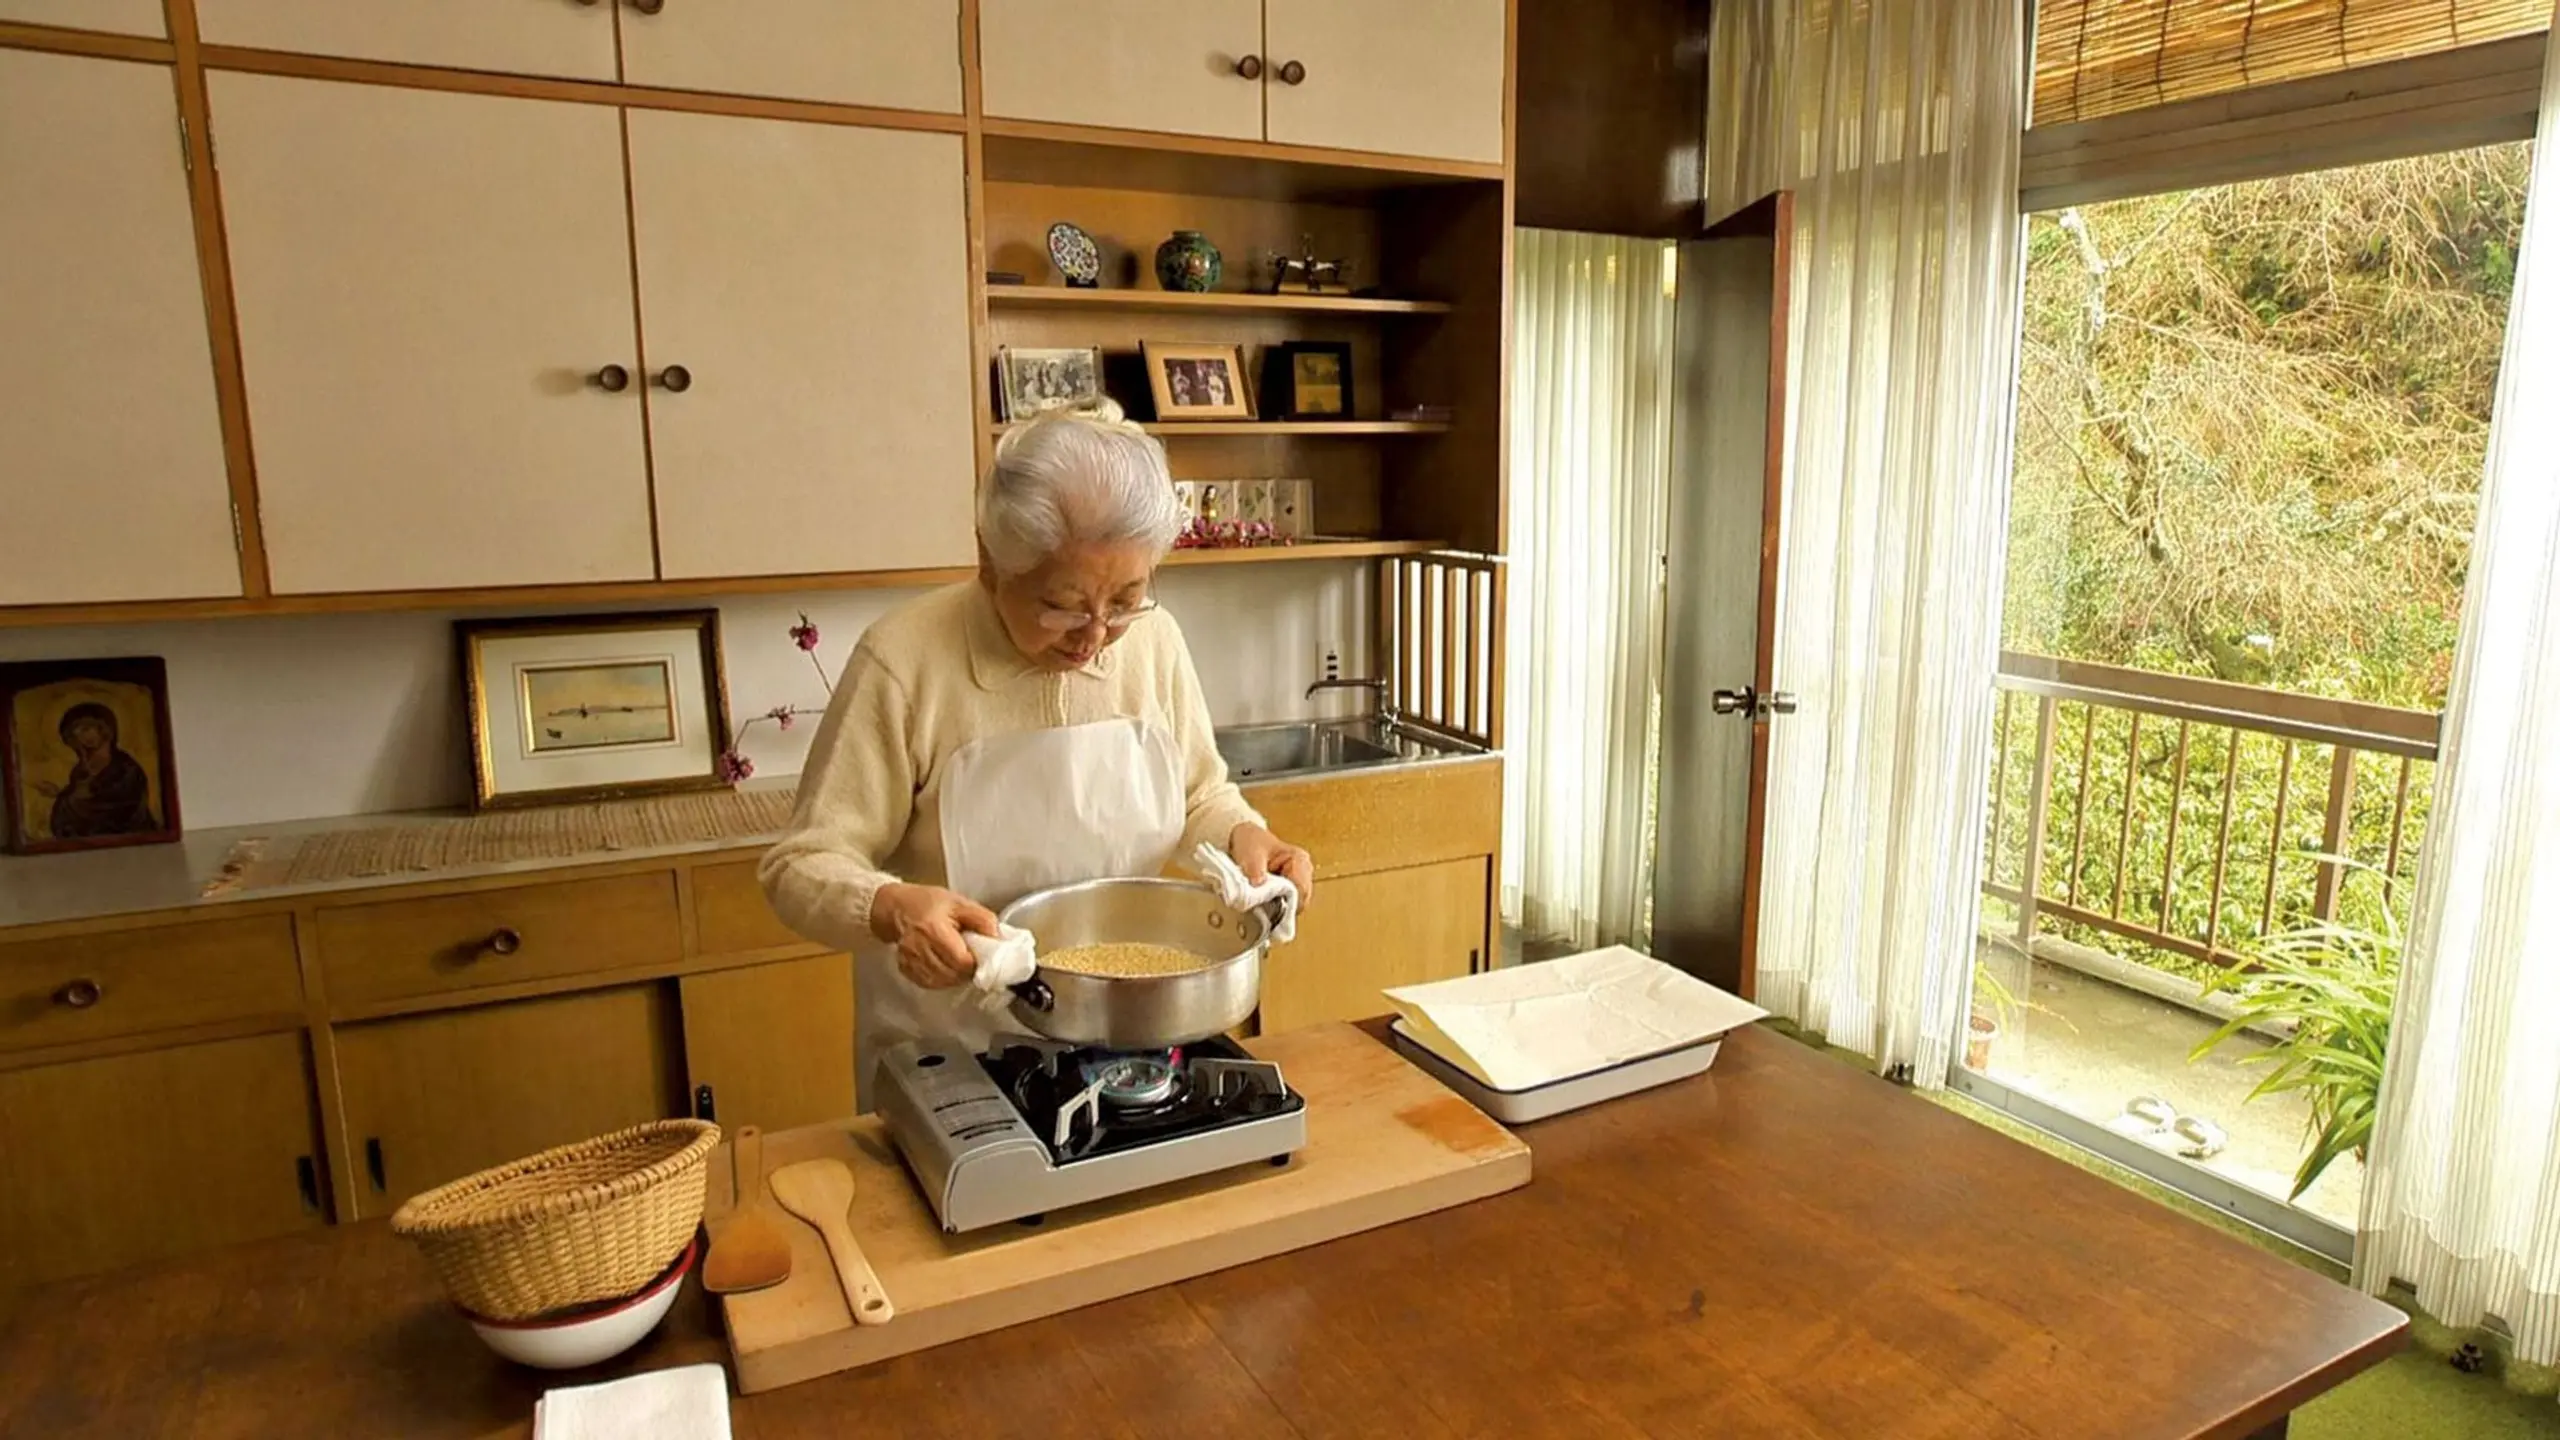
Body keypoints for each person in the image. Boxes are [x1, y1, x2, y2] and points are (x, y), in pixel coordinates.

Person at [760, 407, 1316, 1096]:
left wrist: (1245, 836)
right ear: (990, 561)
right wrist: (894, 906)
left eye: (1125, 600)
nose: (1094, 635)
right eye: (1061, 605)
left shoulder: (1154, 642)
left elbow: (1199, 792)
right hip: (953, 1062)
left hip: (1130, 1045)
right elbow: (800, 865)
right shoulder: (904, 662)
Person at [37, 702, 157, 839]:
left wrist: (70, 799)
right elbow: (77, 800)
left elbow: (119, 806)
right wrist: (60, 794)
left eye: (86, 729)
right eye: (74, 733)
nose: (80, 737)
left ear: (104, 730)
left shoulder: (126, 768)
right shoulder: (79, 770)